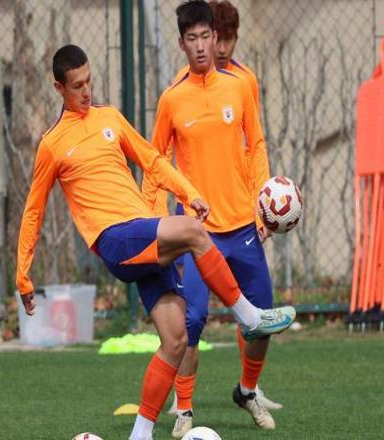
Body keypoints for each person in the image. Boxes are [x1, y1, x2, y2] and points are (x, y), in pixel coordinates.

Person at [16, 44, 295, 440]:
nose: (86, 91)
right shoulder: (52, 143)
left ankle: (140, 434)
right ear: (59, 88)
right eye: (77, 86)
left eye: (89, 81)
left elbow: (152, 159)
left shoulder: (110, 118)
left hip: (141, 232)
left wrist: (188, 191)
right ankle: (250, 317)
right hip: (115, 239)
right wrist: (23, 274)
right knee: (195, 232)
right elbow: (33, 210)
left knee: (176, 338)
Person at [141, 1, 281, 436]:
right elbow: (155, 162)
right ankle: (184, 410)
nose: (202, 46)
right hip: (195, 232)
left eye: (207, 37)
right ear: (181, 43)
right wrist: (155, 220)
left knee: (261, 319)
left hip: (242, 225)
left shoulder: (241, 86)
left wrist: (262, 202)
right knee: (192, 321)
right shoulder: (171, 98)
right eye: (193, 38)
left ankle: (248, 390)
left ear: (215, 38)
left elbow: (256, 144)